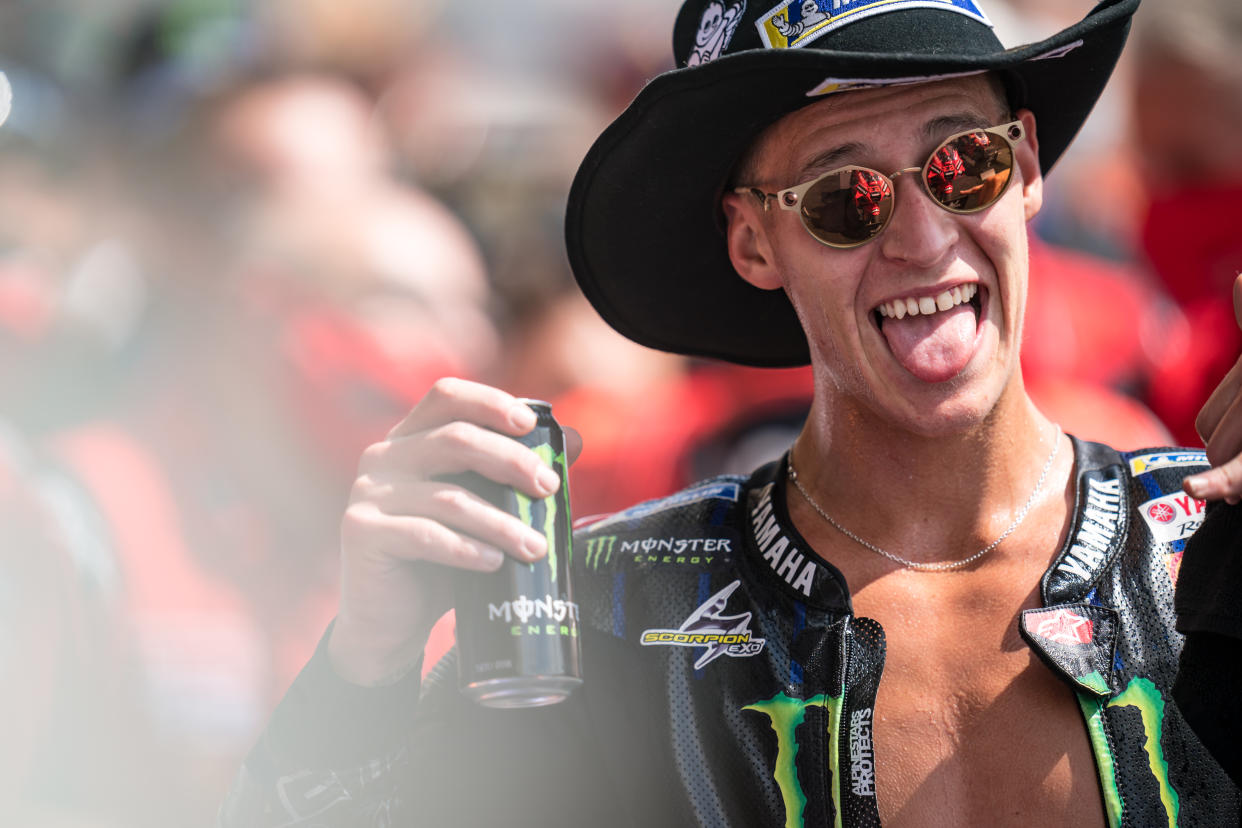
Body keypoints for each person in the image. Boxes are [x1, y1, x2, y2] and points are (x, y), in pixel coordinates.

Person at [219, 0, 1242, 825]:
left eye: (960, 164)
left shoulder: (1209, 551)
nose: (927, 240)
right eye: (849, 198)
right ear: (754, 243)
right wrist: (368, 664)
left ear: (1023, 169)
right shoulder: (612, 615)